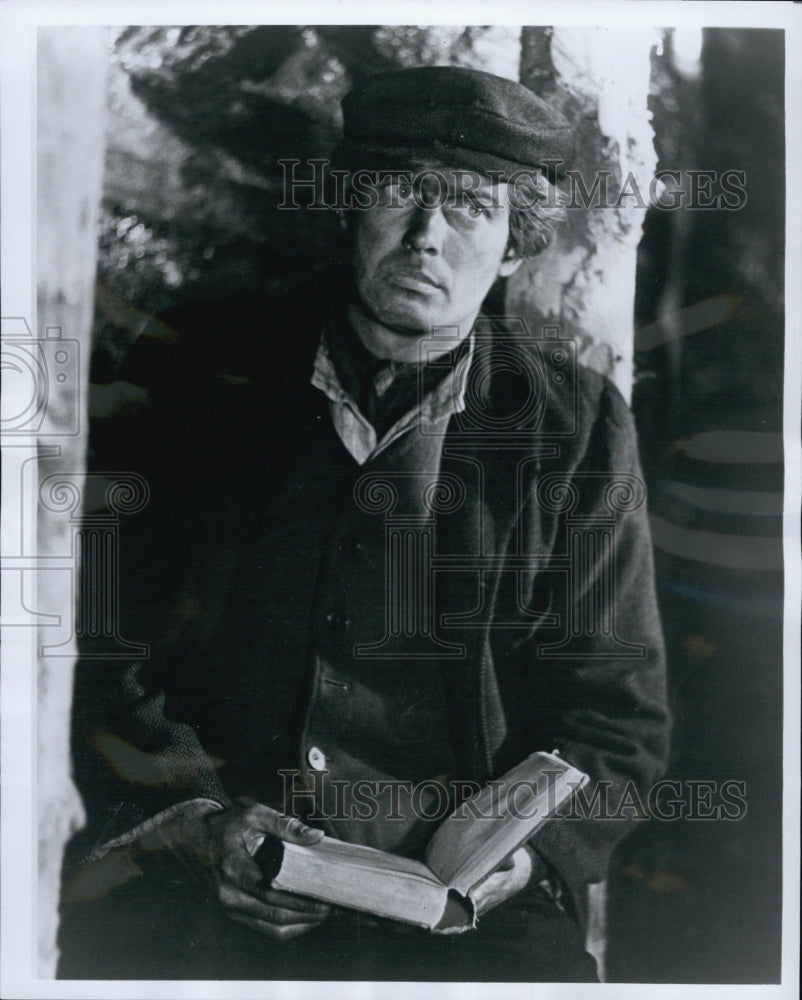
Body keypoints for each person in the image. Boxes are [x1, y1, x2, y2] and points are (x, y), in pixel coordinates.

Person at [59, 66, 670, 982]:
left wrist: (524, 857)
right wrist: (197, 820)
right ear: (350, 206)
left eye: (470, 205)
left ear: (513, 244)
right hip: (209, 879)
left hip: (458, 920)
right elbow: (96, 636)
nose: (427, 235)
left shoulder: (576, 430)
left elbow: (616, 717)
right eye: (399, 192)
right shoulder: (198, 374)